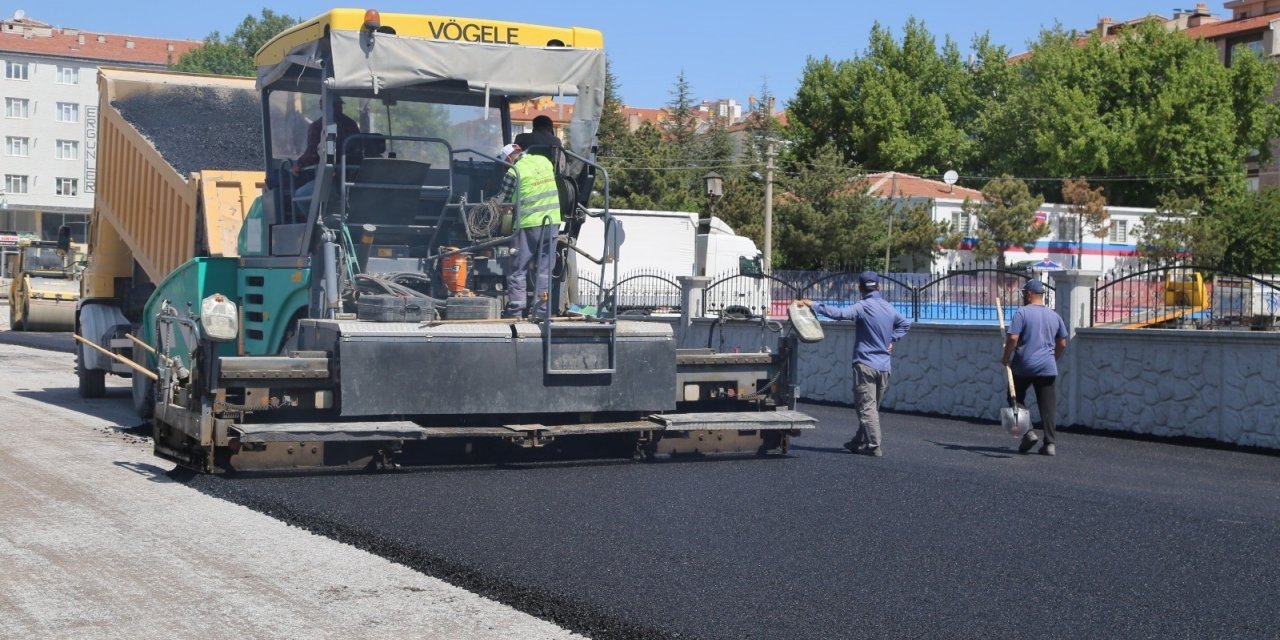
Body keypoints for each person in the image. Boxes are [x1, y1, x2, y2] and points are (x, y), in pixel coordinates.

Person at [800, 271, 912, 457]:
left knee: (866, 407)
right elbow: (905, 324)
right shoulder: (888, 307)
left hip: (865, 364)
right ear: (878, 286)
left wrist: (813, 304)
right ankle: (858, 441)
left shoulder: (863, 306)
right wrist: (891, 339)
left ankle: (874, 445)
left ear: (860, 289)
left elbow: (840, 314)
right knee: (871, 407)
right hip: (884, 366)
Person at [491, 143, 561, 319]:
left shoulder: (513, 171)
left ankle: (516, 310)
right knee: (544, 269)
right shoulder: (544, 161)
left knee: (518, 267)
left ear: (508, 158)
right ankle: (542, 310)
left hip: (529, 223)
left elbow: (503, 200)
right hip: (552, 222)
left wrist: (495, 207)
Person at [1001, 279, 1069, 456]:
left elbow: (1013, 339)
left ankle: (1028, 432)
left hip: (1024, 365)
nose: (1023, 297)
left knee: (1014, 397)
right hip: (1047, 366)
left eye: (1024, 294)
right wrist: (1053, 359)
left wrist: (1006, 356)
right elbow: (1062, 342)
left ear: (1029, 295)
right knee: (1048, 406)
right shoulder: (1054, 316)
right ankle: (1050, 444)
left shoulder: (1021, 313)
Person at [292, 97, 361, 214]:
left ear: (322, 105)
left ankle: (314, 226)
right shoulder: (352, 125)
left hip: (333, 181)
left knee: (299, 196)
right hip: (355, 180)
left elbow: (313, 154)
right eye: (338, 105)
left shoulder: (318, 126)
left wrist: (298, 165)